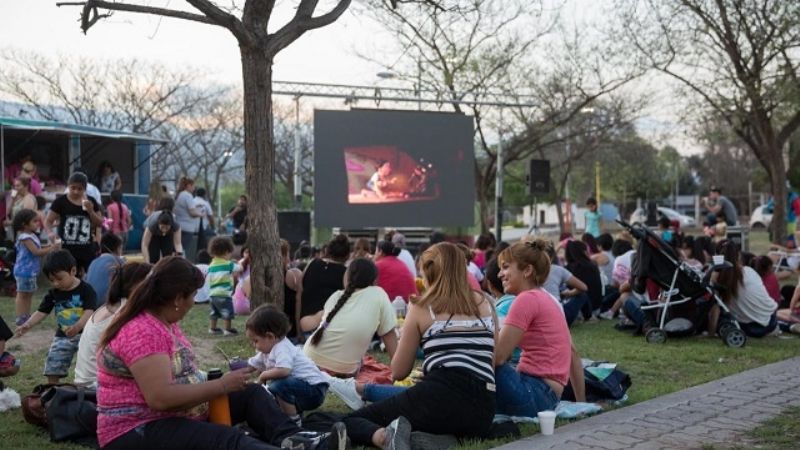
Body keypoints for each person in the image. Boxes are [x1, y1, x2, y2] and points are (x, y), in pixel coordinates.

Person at [94, 256, 348, 450]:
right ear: (177, 298)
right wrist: (221, 385)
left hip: (174, 413)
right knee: (227, 439)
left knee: (251, 394)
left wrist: (224, 384)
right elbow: (160, 398)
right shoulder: (142, 331)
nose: (194, 302)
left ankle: (293, 440)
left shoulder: (163, 323)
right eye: (193, 295)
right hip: (136, 428)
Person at [342, 242, 496, 448]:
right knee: (442, 416)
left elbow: (398, 372)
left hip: (439, 396)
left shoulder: (423, 306)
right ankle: (439, 440)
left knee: (349, 421)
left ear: (427, 273)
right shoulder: (487, 302)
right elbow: (489, 363)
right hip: (483, 409)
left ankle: (384, 437)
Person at [494, 239, 572, 418]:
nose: (500, 274)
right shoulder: (542, 297)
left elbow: (498, 356)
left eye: (505, 267)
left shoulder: (526, 299)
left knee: (475, 360)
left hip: (536, 393)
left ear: (527, 270)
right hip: (545, 394)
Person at [303, 258, 397, 383]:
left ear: (346, 277)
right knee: (361, 361)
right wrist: (398, 370)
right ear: (374, 281)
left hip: (308, 360)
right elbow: (390, 337)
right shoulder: (378, 294)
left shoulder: (335, 296)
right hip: (341, 371)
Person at [14, 250, 97, 383]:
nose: (56, 283)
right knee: (53, 366)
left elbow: (90, 311)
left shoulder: (86, 290)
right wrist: (27, 324)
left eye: (59, 279)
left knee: (91, 367)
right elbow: (42, 312)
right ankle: (53, 392)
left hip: (86, 335)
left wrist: (78, 326)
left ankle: (90, 392)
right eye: (52, 280)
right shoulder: (54, 293)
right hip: (63, 336)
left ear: (73, 271)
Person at [245, 305, 330, 424]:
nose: (254, 345)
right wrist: (235, 373)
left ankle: (292, 422)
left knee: (279, 386)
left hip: (314, 390)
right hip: (300, 388)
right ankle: (290, 416)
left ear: (270, 336)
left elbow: (284, 370)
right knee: (275, 389)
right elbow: (251, 366)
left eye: (255, 341)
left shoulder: (282, 348)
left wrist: (263, 375)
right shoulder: (267, 350)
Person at [74, 262, 152, 387]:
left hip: (84, 382)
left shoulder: (111, 306)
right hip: (96, 387)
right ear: (136, 286)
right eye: (151, 284)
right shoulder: (127, 311)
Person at [709, 240, 778, 337]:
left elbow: (715, 309)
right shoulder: (749, 272)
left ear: (716, 257)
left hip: (747, 328)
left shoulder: (718, 279)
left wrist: (710, 334)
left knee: (721, 313)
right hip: (770, 322)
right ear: (738, 255)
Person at [45, 172, 104, 275]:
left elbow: (99, 223)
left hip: (86, 249)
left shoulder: (91, 201)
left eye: (80, 189)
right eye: (73, 188)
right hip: (67, 250)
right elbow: (48, 221)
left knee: (90, 277)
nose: (76, 191)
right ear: (68, 186)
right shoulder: (60, 202)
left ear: (85, 189)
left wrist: (91, 211)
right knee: (69, 278)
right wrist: (50, 232)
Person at [12, 208, 60, 326]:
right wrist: (52, 248)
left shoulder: (31, 235)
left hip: (30, 271)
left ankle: (26, 316)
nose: (38, 223)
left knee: (28, 294)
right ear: (25, 224)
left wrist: (49, 246)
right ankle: (20, 317)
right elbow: (36, 252)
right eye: (34, 221)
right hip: (24, 271)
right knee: (22, 294)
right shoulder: (25, 237)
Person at [298, 235, 349, 336]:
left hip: (306, 326)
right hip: (331, 329)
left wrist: (298, 331)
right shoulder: (346, 274)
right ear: (347, 255)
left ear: (327, 250)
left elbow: (299, 297)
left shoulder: (311, 264)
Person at [207, 236, 243, 336]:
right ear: (226, 251)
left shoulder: (211, 265)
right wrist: (240, 263)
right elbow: (239, 268)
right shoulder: (228, 264)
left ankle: (212, 328)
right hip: (224, 293)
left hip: (213, 294)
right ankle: (228, 329)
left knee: (214, 312)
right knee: (227, 312)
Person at [565, 240, 603, 321]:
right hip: (597, 308)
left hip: (582, 310)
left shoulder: (571, 268)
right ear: (584, 252)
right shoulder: (592, 265)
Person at [86, 233, 126, 306]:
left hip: (91, 303)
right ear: (118, 248)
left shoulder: (93, 262)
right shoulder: (117, 261)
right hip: (106, 304)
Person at [141, 197, 184, 263]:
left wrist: (179, 257)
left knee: (168, 255)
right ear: (158, 223)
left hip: (168, 235)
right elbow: (144, 244)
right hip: (153, 234)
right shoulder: (153, 224)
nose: (164, 230)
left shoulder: (176, 225)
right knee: (153, 255)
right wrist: (147, 262)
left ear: (171, 225)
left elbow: (178, 243)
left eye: (167, 227)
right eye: (162, 227)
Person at [174, 177, 202, 262]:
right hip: (187, 227)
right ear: (189, 185)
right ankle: (181, 265)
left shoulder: (179, 194)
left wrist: (195, 207)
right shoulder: (188, 195)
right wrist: (201, 214)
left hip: (179, 226)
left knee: (177, 247)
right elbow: (192, 213)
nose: (194, 188)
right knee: (182, 249)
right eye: (193, 186)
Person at [280, 240, 303, 339]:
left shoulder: (257, 278)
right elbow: (299, 304)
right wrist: (299, 332)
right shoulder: (293, 275)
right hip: (289, 332)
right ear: (285, 256)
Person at [194, 187, 215, 254]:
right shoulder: (205, 203)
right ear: (204, 195)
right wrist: (213, 227)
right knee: (213, 235)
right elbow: (211, 217)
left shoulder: (192, 201)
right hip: (203, 229)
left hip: (192, 228)